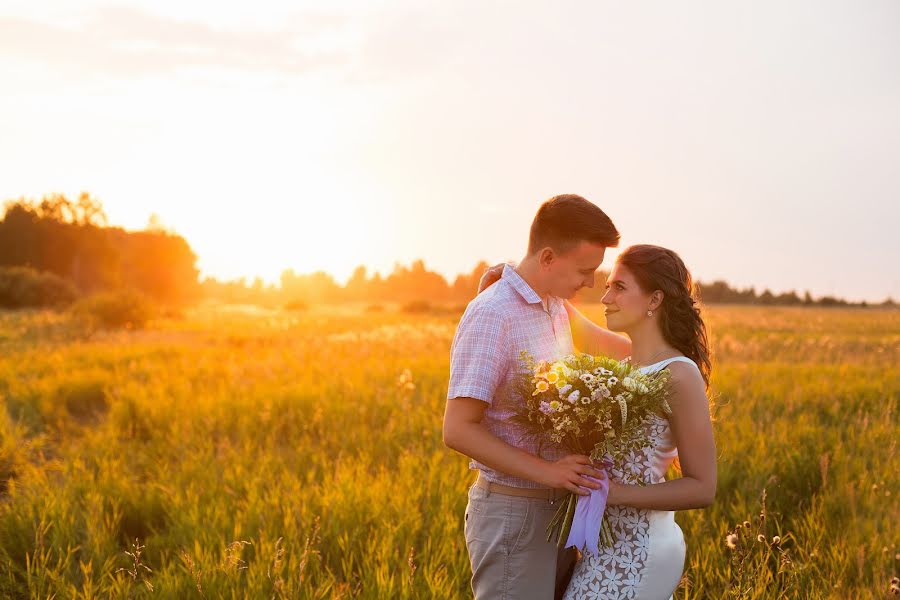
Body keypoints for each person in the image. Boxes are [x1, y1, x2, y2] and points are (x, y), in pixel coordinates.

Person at [480, 244, 717, 599]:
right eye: (607, 286)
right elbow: (567, 316)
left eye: (619, 287)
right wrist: (515, 277)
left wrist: (616, 494)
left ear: (655, 300)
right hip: (600, 546)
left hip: (639, 548)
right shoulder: (627, 362)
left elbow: (703, 487)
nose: (605, 296)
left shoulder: (679, 374)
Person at [443, 194, 629, 599]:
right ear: (548, 258)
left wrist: (678, 346)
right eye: (585, 270)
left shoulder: (554, 306)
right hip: (515, 516)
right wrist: (550, 472)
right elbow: (457, 429)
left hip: (557, 512)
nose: (591, 282)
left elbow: (618, 350)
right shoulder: (493, 314)